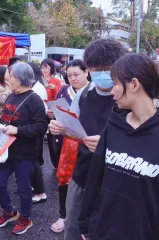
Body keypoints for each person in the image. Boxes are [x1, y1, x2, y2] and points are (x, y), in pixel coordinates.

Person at [49, 39, 126, 240]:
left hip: (117, 179)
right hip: (82, 172)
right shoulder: (83, 94)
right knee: (73, 226)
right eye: (96, 69)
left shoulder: (130, 97)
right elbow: (72, 128)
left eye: (107, 69)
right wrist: (59, 128)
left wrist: (108, 143)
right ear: (89, 69)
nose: (102, 74)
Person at [79, 54, 159, 240]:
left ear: (134, 84)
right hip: (102, 230)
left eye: (115, 83)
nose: (112, 91)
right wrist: (86, 222)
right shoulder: (115, 123)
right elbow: (95, 177)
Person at [0, 62, 48, 235]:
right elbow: (6, 118)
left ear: (22, 79)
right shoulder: (11, 96)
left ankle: (25, 218)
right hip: (6, 150)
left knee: (24, 189)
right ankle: (9, 211)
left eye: (12, 76)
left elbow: (41, 127)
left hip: (25, 153)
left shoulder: (34, 99)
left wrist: (18, 130)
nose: (9, 79)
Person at [50, 59, 90, 233]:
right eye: (69, 75)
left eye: (77, 74)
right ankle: (63, 214)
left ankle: (85, 217)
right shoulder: (63, 91)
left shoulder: (94, 91)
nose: (73, 79)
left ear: (87, 72)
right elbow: (59, 115)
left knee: (87, 182)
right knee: (64, 181)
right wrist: (53, 119)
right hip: (68, 143)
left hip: (88, 144)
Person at [27, 62, 48, 204]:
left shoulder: (37, 89)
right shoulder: (34, 87)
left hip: (34, 129)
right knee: (33, 159)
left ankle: (39, 190)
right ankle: (33, 185)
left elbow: (38, 112)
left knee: (34, 159)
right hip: (32, 128)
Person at [41, 58, 63, 169]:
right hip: (42, 113)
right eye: (42, 67)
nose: (44, 70)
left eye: (46, 67)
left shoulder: (56, 80)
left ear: (51, 68)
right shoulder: (39, 81)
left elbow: (59, 98)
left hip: (52, 113)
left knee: (53, 138)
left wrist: (53, 88)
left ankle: (57, 162)